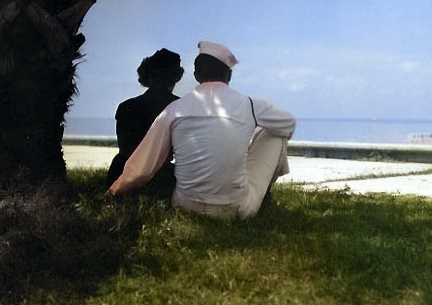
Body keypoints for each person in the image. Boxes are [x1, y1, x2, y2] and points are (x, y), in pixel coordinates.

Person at [109, 41, 296, 217]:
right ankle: (265, 196)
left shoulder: (175, 109)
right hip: (236, 207)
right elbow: (288, 124)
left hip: (185, 204)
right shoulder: (250, 105)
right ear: (229, 75)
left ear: (196, 76)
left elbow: (143, 166)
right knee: (276, 135)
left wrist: (114, 190)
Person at [106, 48, 184, 199]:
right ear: (176, 77)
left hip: (120, 172)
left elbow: (125, 148)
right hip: (160, 175)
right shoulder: (180, 106)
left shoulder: (126, 107)